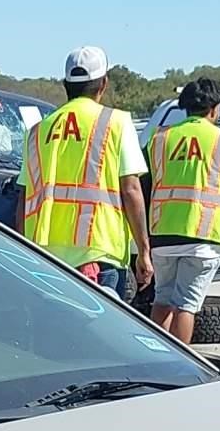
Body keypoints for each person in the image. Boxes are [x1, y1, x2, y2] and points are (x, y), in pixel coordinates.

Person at [19, 46, 151, 298]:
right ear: (103, 83)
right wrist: (143, 250)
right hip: (99, 252)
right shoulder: (117, 122)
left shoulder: (36, 131)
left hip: (45, 256)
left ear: (65, 84)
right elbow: (131, 189)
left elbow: (23, 200)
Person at [142, 76, 220, 343]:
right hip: (204, 238)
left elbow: (142, 186)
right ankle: (181, 364)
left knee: (162, 300)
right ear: (215, 108)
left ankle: (155, 356)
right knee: (187, 304)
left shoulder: (159, 140)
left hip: (162, 235)